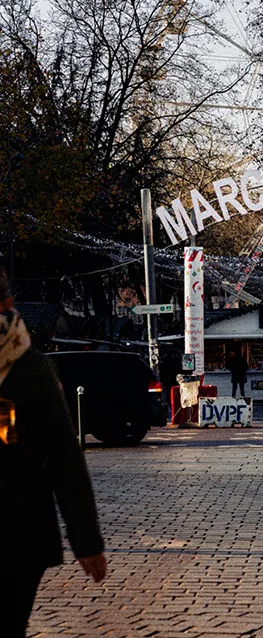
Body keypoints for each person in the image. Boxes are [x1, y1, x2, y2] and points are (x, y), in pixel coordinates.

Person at [0, 262, 106, 638]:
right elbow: (65, 460)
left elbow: (63, 458)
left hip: (15, 536)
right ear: (10, 302)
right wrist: (87, 543)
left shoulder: (30, 370)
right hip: (20, 535)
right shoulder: (31, 368)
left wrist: (86, 540)